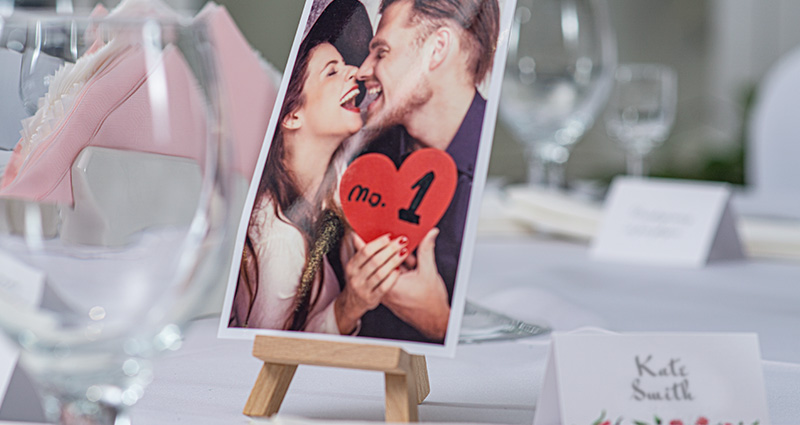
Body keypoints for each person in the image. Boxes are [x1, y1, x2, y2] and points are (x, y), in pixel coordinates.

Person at [229, 0, 409, 335]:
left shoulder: (335, 181)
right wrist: (349, 307)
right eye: (332, 71)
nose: (353, 72)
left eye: (345, 65)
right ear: (292, 114)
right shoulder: (281, 248)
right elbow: (264, 357)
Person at [353, 0, 501, 343]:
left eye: (381, 52)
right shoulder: (363, 158)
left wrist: (438, 323)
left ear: (436, 50)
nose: (362, 70)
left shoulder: (496, 177)